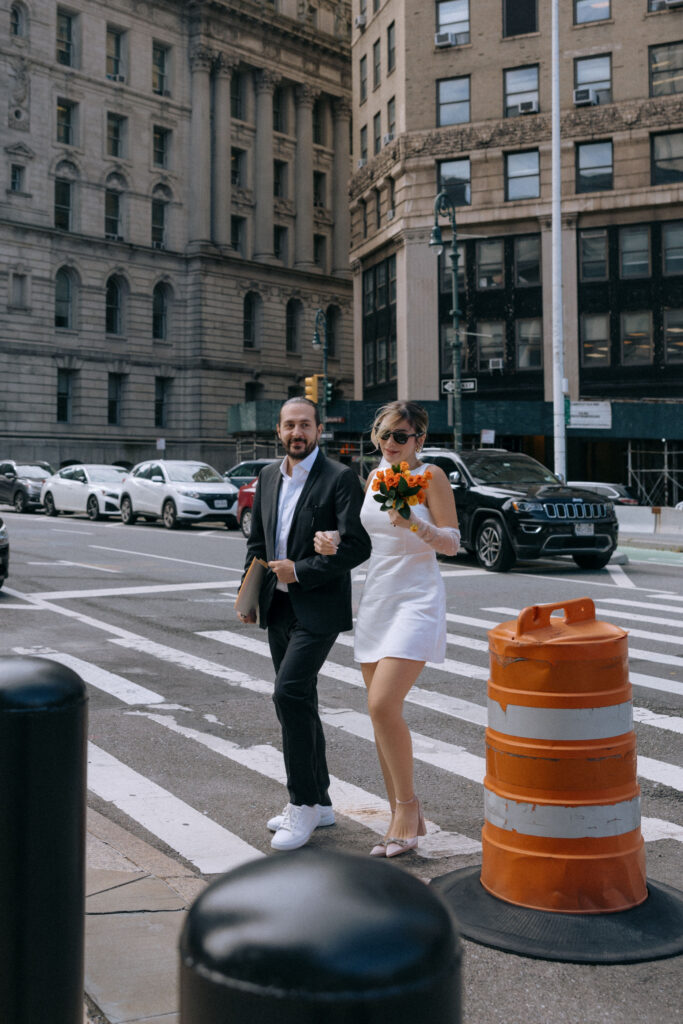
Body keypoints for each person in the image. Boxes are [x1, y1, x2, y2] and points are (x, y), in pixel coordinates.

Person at [314, 401, 460, 858]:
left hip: (417, 596)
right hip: (377, 595)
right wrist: (335, 541)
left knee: (382, 703)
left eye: (401, 435)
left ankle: (406, 808)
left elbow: (453, 543)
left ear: (420, 439)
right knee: (378, 714)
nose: (391, 443)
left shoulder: (431, 476)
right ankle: (404, 810)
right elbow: (366, 537)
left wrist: (416, 523)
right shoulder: (375, 477)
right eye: (384, 434)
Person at [237, 397, 371, 852]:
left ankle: (302, 804)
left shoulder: (340, 478)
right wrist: (249, 592)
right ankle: (322, 800)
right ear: (279, 431)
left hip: (318, 607)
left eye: (305, 425)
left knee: (288, 692)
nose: (298, 432)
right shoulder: (269, 476)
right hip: (276, 605)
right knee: (302, 700)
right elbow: (258, 540)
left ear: (318, 430)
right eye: (290, 425)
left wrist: (304, 569)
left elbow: (357, 547)